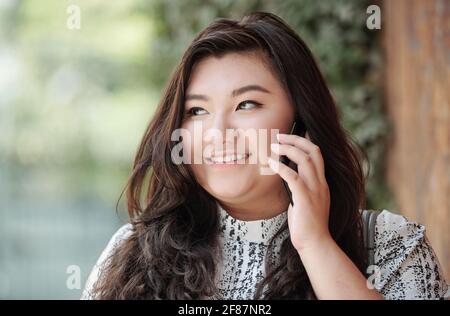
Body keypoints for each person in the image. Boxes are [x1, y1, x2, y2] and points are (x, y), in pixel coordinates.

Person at [81, 12, 448, 300]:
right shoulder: (133, 254)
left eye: (246, 104)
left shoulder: (390, 243)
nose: (218, 133)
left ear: (300, 122)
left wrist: (315, 244)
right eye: (197, 111)